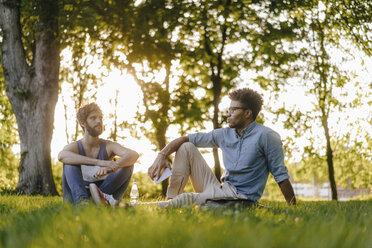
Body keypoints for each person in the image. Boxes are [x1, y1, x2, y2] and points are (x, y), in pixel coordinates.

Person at [148, 88, 296, 207]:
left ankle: (148, 207)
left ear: (247, 113)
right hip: (219, 188)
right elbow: (185, 138)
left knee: (187, 199)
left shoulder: (267, 136)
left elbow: (280, 175)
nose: (228, 114)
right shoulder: (224, 134)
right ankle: (170, 201)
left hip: (239, 198)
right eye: (228, 109)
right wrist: (162, 155)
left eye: (233, 110)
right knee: (186, 146)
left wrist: (293, 209)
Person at [58, 103, 139, 206]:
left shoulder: (108, 146)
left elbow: (133, 155)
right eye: (93, 118)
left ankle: (99, 200)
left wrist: (113, 167)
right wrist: (100, 162)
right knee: (68, 163)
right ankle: (83, 202)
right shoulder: (75, 147)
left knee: (127, 165)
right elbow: (61, 155)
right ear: (83, 123)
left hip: (104, 195)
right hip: (76, 198)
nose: (99, 121)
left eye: (100, 118)